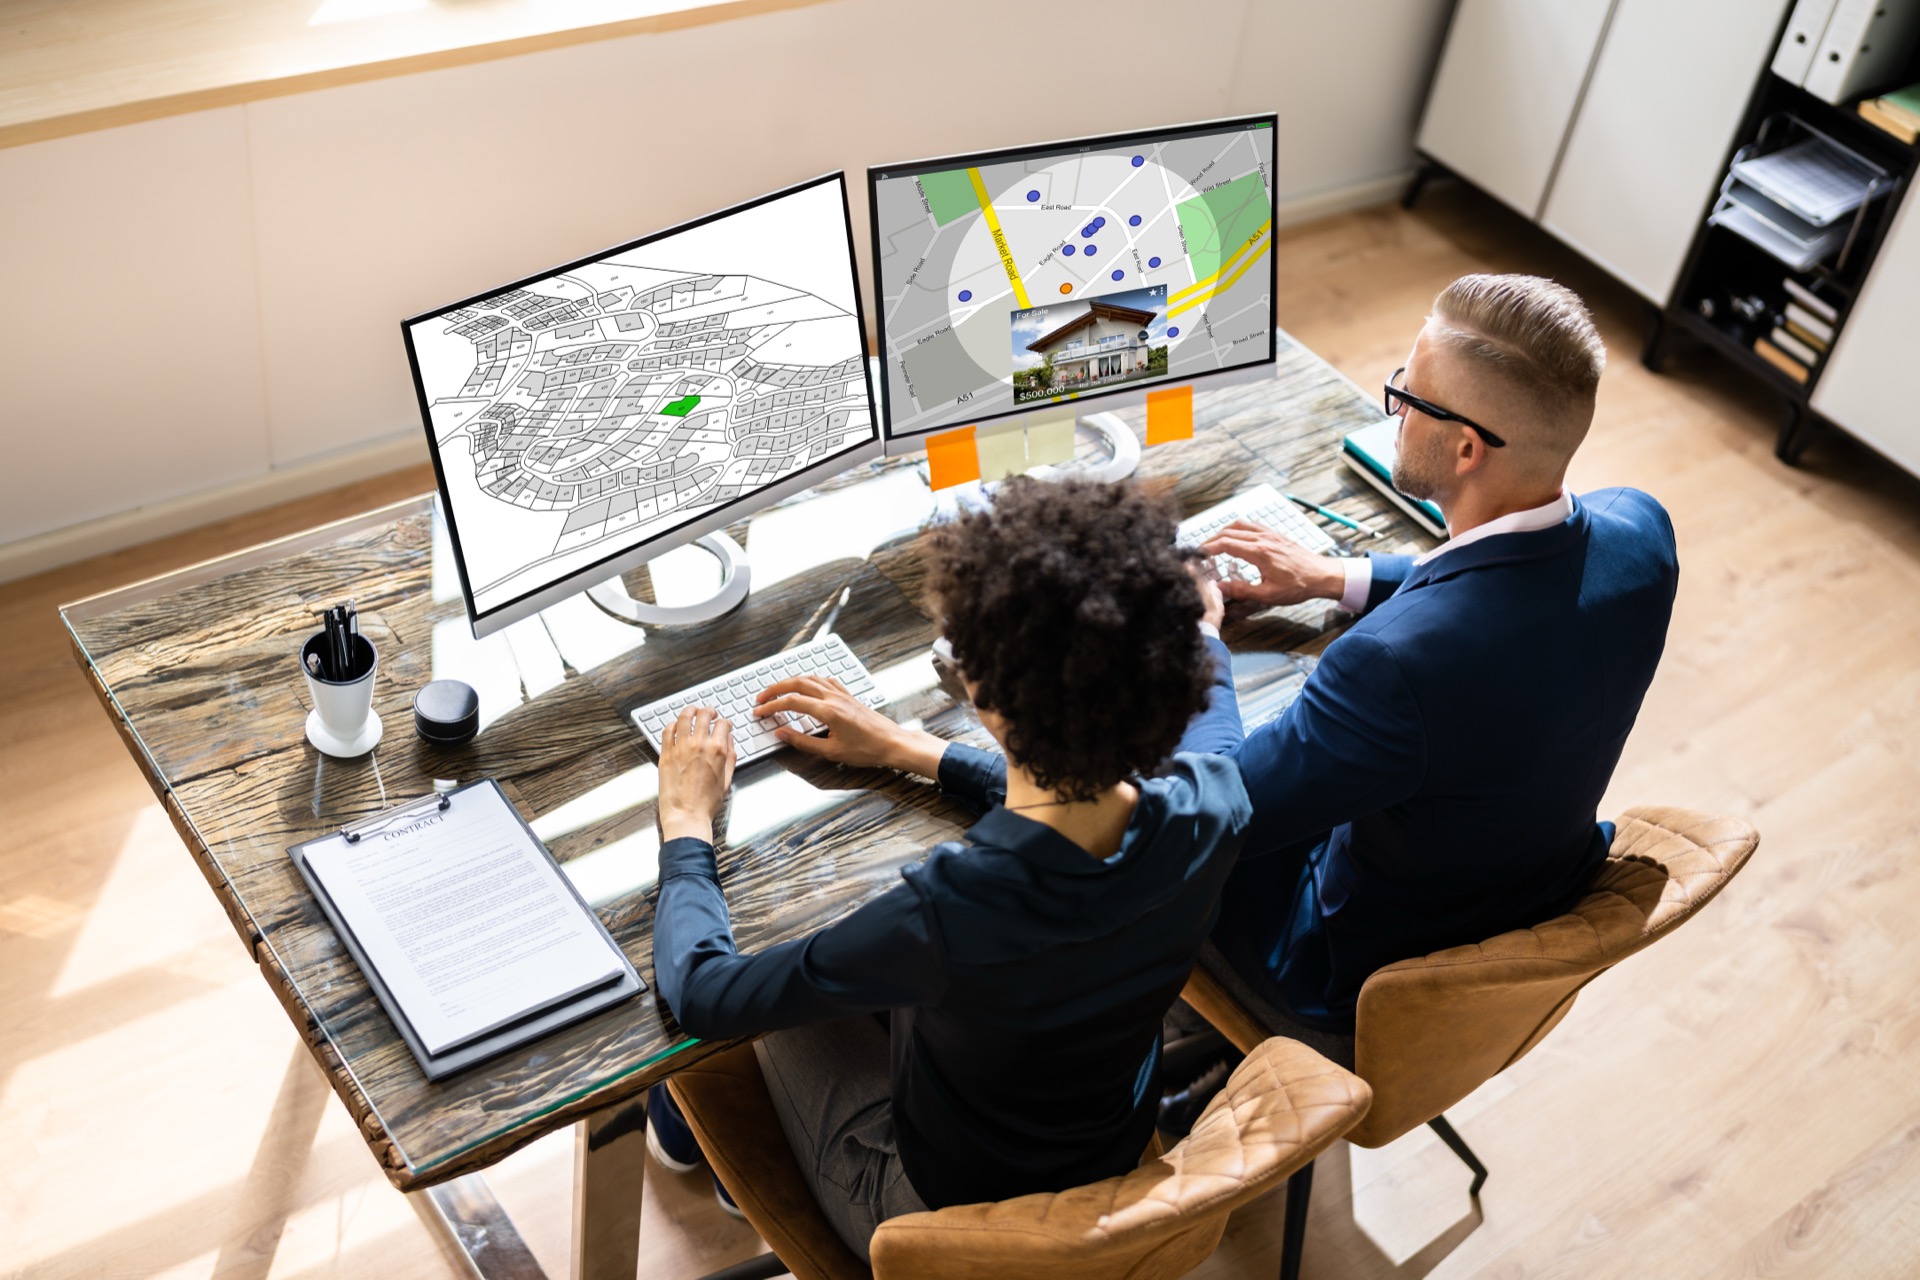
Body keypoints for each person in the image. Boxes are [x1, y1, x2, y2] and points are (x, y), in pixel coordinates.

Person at [647, 477, 1251, 1259]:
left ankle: (695, 1142)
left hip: (942, 1225)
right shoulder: (1217, 802)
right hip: (1107, 1146)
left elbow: (705, 995)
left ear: (982, 691)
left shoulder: (950, 911)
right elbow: (1149, 751)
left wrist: (685, 821)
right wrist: (910, 748)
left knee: (761, 965)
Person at [1175, 273, 1679, 1058]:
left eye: (1406, 394)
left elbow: (1214, 810)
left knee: (1141, 789)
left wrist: (1201, 635)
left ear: (1466, 447)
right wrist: (1333, 577)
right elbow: (1520, 584)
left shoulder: (1391, 665)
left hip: (1352, 972)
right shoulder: (1641, 532)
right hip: (1519, 896)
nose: (1397, 409)